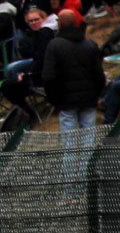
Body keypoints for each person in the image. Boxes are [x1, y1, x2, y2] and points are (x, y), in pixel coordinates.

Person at [42, 10, 107, 155]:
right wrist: (97, 95)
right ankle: (86, 173)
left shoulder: (54, 45)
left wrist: (54, 99)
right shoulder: (90, 44)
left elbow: (48, 77)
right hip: (89, 99)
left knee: (69, 144)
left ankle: (70, 176)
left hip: (65, 101)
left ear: (61, 23)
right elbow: (99, 75)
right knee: (89, 140)